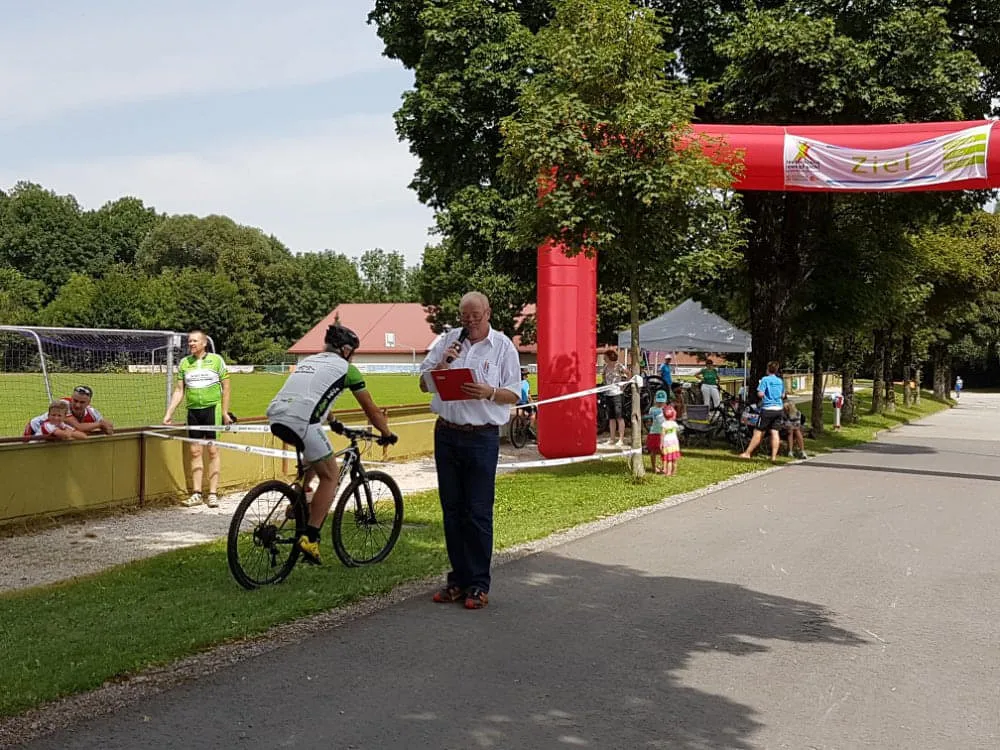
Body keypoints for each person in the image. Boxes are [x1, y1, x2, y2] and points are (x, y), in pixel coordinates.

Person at [419, 291, 520, 610]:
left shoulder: (503, 346)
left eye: (476, 316)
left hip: (481, 437)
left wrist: (489, 392)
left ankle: (478, 584)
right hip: (447, 433)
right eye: (465, 317)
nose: (471, 322)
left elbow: (514, 394)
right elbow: (423, 384)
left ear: (488, 313)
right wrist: (443, 363)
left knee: (477, 512)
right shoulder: (447, 340)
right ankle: (458, 580)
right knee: (452, 511)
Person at [267, 324, 396, 565]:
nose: (353, 356)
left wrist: (334, 421)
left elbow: (314, 395)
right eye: (353, 352)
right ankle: (310, 537)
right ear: (346, 350)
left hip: (277, 417)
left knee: (314, 457)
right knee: (330, 475)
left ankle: (299, 498)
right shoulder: (348, 369)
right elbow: (370, 409)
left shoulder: (310, 360)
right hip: (303, 422)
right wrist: (386, 433)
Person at [162, 329, 232, 508]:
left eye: (194, 341)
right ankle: (197, 493)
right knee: (195, 452)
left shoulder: (216, 360)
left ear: (204, 343)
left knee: (213, 450)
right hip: (193, 411)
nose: (191, 344)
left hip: (212, 409)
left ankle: (213, 493)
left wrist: (225, 412)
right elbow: (179, 390)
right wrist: (169, 413)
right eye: (189, 341)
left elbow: (226, 387)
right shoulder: (185, 363)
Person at [740, 361, 785, 461]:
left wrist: (763, 395)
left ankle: (747, 453)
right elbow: (782, 395)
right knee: (775, 432)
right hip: (778, 408)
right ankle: (773, 457)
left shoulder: (765, 379)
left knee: (758, 431)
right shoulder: (780, 381)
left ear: (768, 369)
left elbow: (760, 393)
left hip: (767, 409)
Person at [23, 400, 88, 442]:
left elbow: (83, 436)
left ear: (64, 417)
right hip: (33, 451)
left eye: (59, 415)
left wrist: (68, 431)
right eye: (53, 415)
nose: (56, 418)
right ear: (48, 416)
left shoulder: (63, 425)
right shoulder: (47, 425)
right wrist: (70, 432)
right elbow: (65, 435)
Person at [601, 349, 628, 448]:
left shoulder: (619, 366)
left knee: (619, 417)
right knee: (611, 417)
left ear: (609, 357)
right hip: (608, 394)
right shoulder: (605, 367)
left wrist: (624, 386)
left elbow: (628, 374)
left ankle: (621, 439)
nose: (604, 358)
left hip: (618, 394)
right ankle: (612, 438)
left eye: (605, 356)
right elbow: (603, 377)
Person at [644, 390, 668, 473]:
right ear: (655, 400)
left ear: (665, 401)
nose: (660, 403)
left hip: (663, 433)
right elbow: (649, 421)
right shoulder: (652, 409)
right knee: (653, 451)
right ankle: (654, 468)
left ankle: (664, 467)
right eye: (658, 402)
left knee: (663, 451)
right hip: (654, 432)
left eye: (662, 402)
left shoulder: (666, 409)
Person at [782, 395, 808, 459]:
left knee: (796, 431)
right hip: (785, 428)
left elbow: (798, 424)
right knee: (790, 431)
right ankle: (790, 451)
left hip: (794, 427)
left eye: (786, 408)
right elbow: (782, 422)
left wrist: (792, 426)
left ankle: (802, 451)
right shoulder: (783, 413)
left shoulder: (797, 413)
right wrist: (789, 426)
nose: (785, 409)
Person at [661, 404, 682, 476]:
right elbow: (676, 432)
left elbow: (663, 434)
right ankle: (674, 472)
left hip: (667, 443)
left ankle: (668, 472)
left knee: (669, 459)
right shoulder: (674, 423)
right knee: (674, 459)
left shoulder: (664, 424)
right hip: (674, 442)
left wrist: (661, 443)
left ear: (664, 416)